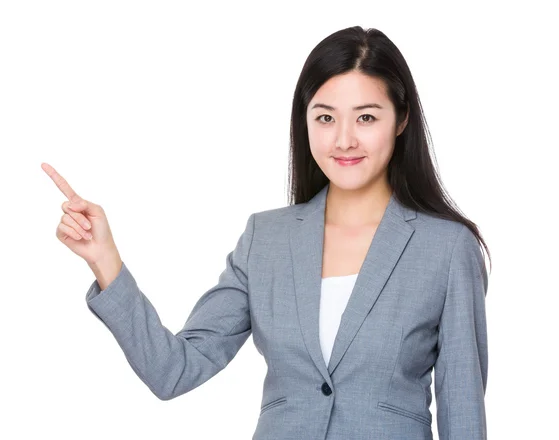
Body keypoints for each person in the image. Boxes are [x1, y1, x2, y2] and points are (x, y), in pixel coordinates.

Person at [43, 25, 491, 440]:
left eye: (367, 118)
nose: (344, 140)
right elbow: (174, 371)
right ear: (305, 120)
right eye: (326, 118)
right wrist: (105, 260)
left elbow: (463, 413)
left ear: (402, 119)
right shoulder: (266, 239)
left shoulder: (447, 249)